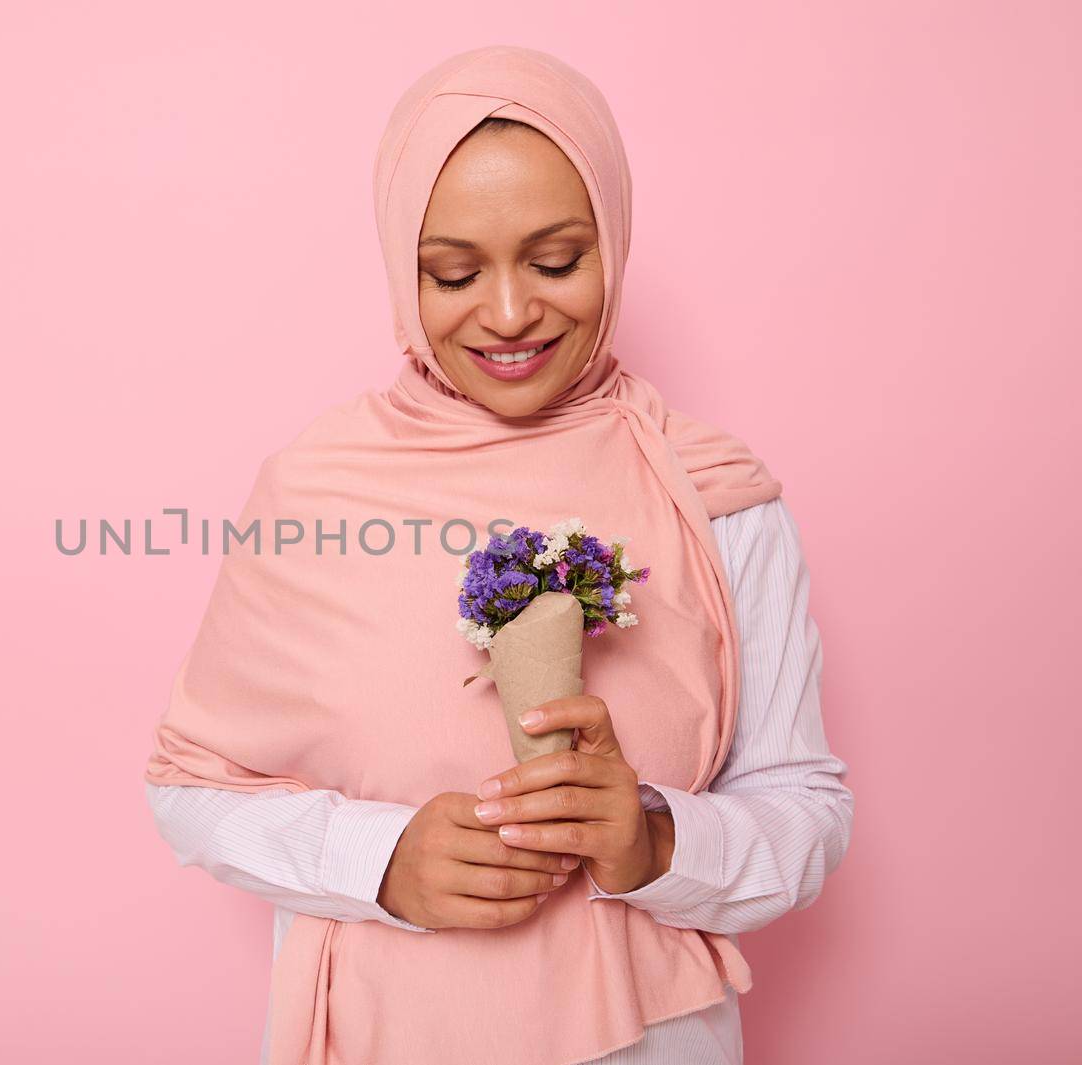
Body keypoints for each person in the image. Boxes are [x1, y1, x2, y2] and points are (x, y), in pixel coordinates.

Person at [142, 45, 854, 1065]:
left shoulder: (713, 496)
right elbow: (190, 786)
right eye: (453, 272)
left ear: (610, 242)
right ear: (403, 266)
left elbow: (804, 807)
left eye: (557, 261)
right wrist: (380, 860)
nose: (512, 314)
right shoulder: (316, 491)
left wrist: (657, 841)